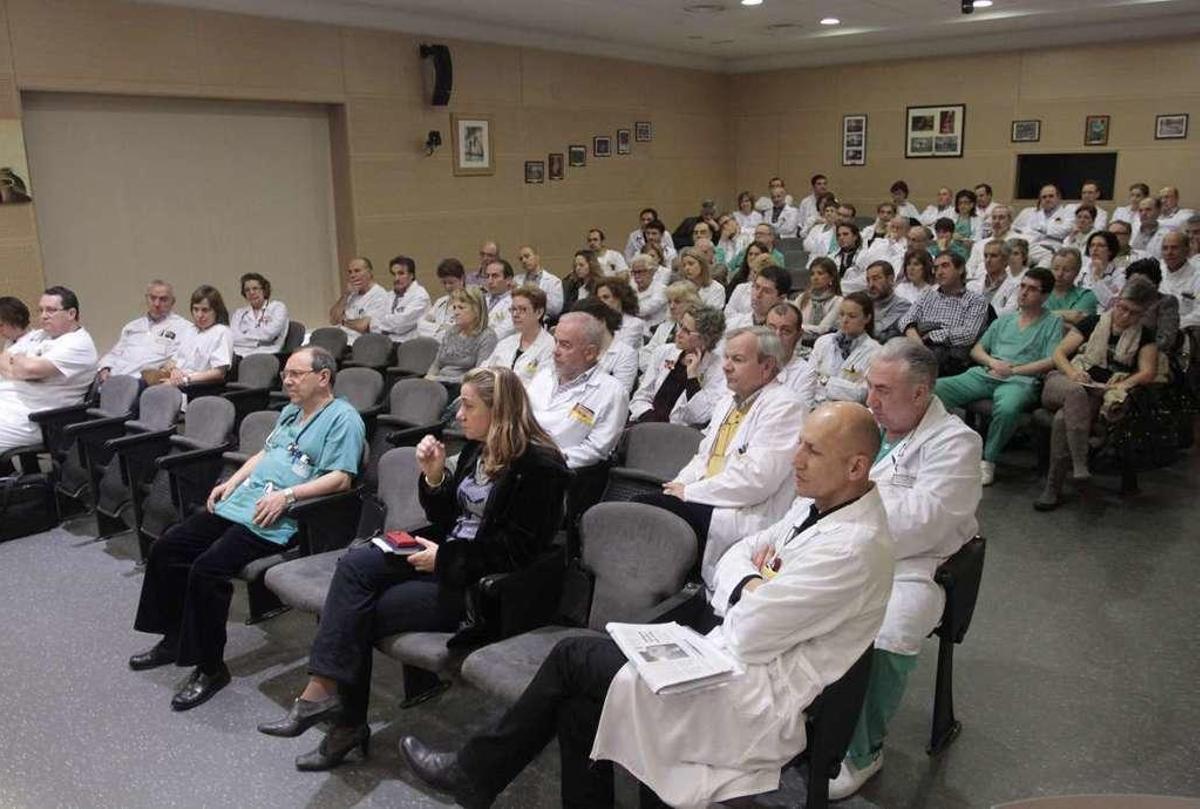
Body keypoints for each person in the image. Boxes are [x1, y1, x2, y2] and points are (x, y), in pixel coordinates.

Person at [400, 402, 894, 809]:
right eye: (799, 443)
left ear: (855, 467)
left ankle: (473, 774)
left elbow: (751, 631)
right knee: (579, 701)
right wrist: (752, 581)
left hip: (753, 694)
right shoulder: (815, 507)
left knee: (574, 658)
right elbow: (733, 557)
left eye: (812, 450)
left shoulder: (853, 547)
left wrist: (747, 585)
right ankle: (476, 777)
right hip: (726, 655)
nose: (795, 459)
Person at [259, 367, 568, 770]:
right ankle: (324, 693)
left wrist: (445, 559)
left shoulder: (541, 467)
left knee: (357, 610)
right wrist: (435, 477)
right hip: (446, 553)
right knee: (354, 565)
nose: (459, 415)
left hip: (478, 586)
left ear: (500, 411)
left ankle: (342, 721)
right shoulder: (478, 448)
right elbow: (448, 517)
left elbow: (520, 553)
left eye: (469, 406)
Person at [129, 346, 365, 710]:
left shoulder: (344, 419)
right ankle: (174, 638)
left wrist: (287, 496)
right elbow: (265, 454)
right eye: (285, 374)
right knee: (168, 548)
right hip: (245, 502)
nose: (287, 381)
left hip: (281, 516)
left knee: (208, 569)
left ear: (323, 377)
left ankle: (210, 669)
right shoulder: (291, 411)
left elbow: (341, 478)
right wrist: (232, 481)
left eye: (296, 374)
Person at [829, 338, 981, 800]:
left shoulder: (956, 443)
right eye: (869, 387)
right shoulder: (865, 425)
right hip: (840, 547)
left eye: (883, 390)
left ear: (920, 393)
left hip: (914, 565)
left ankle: (863, 750)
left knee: (892, 626)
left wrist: (848, 511)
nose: (870, 399)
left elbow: (927, 520)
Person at [635, 327, 807, 586]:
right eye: (726, 357)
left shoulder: (785, 406)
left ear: (767, 366)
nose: (726, 366)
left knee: (646, 512)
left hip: (739, 511)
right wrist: (678, 486)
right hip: (707, 498)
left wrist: (689, 492)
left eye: (737, 359)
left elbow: (756, 480)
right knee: (644, 508)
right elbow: (703, 456)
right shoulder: (729, 400)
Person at [1035, 278, 1161, 510]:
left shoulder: (1144, 336)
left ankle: (1052, 488)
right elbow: (1059, 354)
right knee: (1075, 393)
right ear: (1117, 301)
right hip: (1063, 382)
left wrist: (1121, 385)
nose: (1125, 316)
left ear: (1142, 314)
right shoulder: (1093, 322)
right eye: (1122, 308)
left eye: (1133, 313)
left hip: (1096, 393)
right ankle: (1080, 465)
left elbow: (1148, 372)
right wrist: (1074, 373)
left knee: (1063, 419)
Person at [936, 268, 1061, 485]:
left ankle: (988, 459)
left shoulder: (1052, 322)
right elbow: (977, 350)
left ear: (1045, 296)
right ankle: (943, 447)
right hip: (988, 372)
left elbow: (1051, 360)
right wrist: (993, 362)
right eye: (1022, 286)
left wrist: (1013, 370)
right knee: (936, 389)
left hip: (1021, 380)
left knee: (1007, 408)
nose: (1024, 292)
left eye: (1032, 289)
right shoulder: (1005, 320)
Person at [526, 311, 629, 470]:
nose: (555, 351)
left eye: (565, 345)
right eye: (556, 342)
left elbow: (596, 449)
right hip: (522, 459)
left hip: (565, 471)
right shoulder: (544, 375)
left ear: (590, 353)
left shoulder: (612, 392)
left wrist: (547, 460)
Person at [0, 287, 98, 451]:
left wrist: (20, 364)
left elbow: (29, 369)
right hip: (9, 406)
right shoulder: (40, 335)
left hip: (33, 420)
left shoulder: (78, 344)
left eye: (51, 310)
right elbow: (3, 358)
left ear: (71, 313)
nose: (43, 316)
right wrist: (19, 367)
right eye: (41, 310)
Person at [629, 304, 725, 426]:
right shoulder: (663, 352)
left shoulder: (718, 370)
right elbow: (641, 396)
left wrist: (692, 378)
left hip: (678, 433)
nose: (678, 333)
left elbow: (700, 416)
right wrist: (650, 420)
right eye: (680, 325)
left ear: (706, 339)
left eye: (687, 331)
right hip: (646, 421)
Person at [899, 251, 989, 376]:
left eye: (945, 266)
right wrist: (917, 341)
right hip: (919, 344)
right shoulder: (928, 295)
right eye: (936, 268)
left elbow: (969, 334)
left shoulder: (975, 300)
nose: (939, 272)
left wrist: (932, 335)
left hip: (950, 355)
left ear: (960, 269)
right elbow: (906, 319)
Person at [96, 280, 193, 383]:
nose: (157, 304)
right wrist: (105, 368)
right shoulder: (132, 326)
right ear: (146, 299)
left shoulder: (184, 328)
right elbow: (115, 353)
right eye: (153, 298)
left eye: (163, 299)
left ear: (172, 302)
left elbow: (181, 360)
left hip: (143, 383)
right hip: (114, 378)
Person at [148, 285, 233, 389]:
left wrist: (185, 379)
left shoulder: (222, 332)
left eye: (205, 310)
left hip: (195, 386)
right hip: (175, 380)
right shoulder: (190, 330)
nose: (199, 315)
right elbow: (172, 362)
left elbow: (219, 373)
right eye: (195, 309)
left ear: (216, 311)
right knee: (141, 384)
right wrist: (174, 370)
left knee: (153, 392)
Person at [808, 292, 881, 405]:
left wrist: (824, 380)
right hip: (815, 406)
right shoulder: (823, 342)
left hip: (849, 411)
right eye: (841, 314)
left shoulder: (876, 352)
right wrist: (845, 387)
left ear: (867, 318)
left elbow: (862, 393)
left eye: (852, 316)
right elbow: (808, 379)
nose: (844, 320)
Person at [426, 287, 498, 393]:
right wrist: (428, 378)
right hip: (437, 384)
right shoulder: (451, 331)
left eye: (461, 308)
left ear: (476, 310)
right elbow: (436, 364)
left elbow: (478, 375)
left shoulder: (487, 336)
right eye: (454, 307)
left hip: (461, 388)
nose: (456, 312)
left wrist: (440, 380)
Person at [483, 285, 555, 387]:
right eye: (513, 309)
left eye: (522, 309)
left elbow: (541, 387)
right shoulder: (506, 342)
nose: (515, 314)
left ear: (539, 312)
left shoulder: (550, 347)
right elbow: (484, 370)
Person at [570, 297, 638, 392]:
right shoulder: (576, 348)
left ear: (602, 321)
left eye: (584, 325)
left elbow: (620, 393)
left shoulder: (626, 353)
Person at [641, 281, 701, 373]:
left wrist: (662, 365)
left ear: (692, 304)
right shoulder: (664, 327)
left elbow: (688, 363)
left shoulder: (698, 330)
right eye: (669, 302)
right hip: (654, 376)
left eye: (677, 302)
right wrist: (660, 367)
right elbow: (644, 355)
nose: (672, 306)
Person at [329, 257, 390, 345]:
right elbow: (333, 319)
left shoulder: (379, 295)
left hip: (356, 343)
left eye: (357, 271)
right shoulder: (352, 294)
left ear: (369, 273)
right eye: (350, 272)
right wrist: (346, 294)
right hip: (338, 338)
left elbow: (363, 326)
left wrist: (342, 321)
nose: (352, 275)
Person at [766, 301, 817, 407]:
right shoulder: (749, 361)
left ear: (799, 335)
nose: (777, 336)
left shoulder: (805, 373)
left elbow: (798, 413)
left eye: (786, 331)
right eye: (771, 328)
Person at [371, 256, 431, 344]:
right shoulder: (389, 295)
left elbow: (400, 325)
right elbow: (373, 323)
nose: (396, 278)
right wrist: (389, 322)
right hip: (387, 344)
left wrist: (383, 323)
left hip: (409, 345)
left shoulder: (420, 295)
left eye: (401, 274)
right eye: (393, 274)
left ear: (411, 275)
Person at [1125, 257, 1179, 355]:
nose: (1136, 287)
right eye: (1132, 283)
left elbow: (1165, 340)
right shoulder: (1123, 301)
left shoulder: (1166, 302)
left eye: (1142, 284)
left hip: (1149, 354)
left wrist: (1135, 346)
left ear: (1155, 285)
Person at [231, 273, 290, 357]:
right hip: (239, 354)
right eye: (247, 290)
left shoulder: (277, 308)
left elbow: (269, 335)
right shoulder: (239, 313)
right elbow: (233, 337)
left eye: (255, 288)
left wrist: (244, 338)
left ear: (264, 290)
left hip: (267, 354)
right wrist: (257, 342)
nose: (251, 292)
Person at [726, 265, 790, 330]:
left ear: (781, 298)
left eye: (766, 291)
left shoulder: (785, 330)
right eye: (757, 287)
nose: (758, 295)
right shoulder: (733, 325)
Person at [1045, 247, 1098, 325]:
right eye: (1055, 269)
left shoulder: (1085, 295)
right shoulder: (1038, 291)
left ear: (1077, 272)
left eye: (1066, 270)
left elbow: (1078, 320)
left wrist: (1040, 316)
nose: (1059, 274)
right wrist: (1068, 315)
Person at [418, 258, 467, 341]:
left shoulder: (471, 303)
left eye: (451, 282)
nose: (447, 287)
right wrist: (440, 328)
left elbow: (457, 333)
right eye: (444, 283)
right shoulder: (440, 302)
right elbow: (420, 325)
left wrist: (433, 329)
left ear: (462, 279)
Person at [797, 257, 843, 342]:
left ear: (831, 277)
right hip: (799, 341)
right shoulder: (802, 297)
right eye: (812, 274)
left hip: (826, 343)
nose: (815, 277)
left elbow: (822, 329)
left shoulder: (838, 301)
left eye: (820, 273)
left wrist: (796, 327)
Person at [1078, 231, 1126, 312]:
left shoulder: (1119, 275)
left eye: (1100, 245)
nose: (1095, 249)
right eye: (1092, 245)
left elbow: (1111, 304)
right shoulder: (1082, 271)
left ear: (1110, 251)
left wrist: (1097, 278)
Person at [865, 260, 912, 343]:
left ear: (890, 280)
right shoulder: (864, 304)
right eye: (868, 280)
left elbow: (877, 332)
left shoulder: (902, 305)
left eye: (876, 279)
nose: (871, 285)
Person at [514, 245, 565, 319]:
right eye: (521, 259)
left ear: (537, 258)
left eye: (527, 256)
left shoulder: (553, 281)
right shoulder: (516, 280)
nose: (524, 261)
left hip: (541, 320)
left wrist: (536, 293)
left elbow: (556, 309)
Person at [594, 277, 645, 351]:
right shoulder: (596, 323)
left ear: (620, 298)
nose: (601, 302)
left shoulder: (634, 323)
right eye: (598, 299)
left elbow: (620, 350)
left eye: (606, 297)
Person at [966, 205, 1015, 280]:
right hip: (977, 282)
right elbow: (970, 268)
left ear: (1010, 221)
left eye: (1001, 218)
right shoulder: (979, 245)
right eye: (994, 218)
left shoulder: (1022, 241)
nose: (996, 221)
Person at [628, 254, 667, 333]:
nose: (636, 276)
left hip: (652, 331)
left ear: (651, 272)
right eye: (634, 272)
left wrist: (626, 308)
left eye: (640, 272)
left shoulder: (661, 289)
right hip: (631, 329)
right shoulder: (630, 287)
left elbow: (643, 310)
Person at [481, 258, 516, 341]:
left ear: (508, 280)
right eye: (487, 276)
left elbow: (505, 331)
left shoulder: (515, 303)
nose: (490, 281)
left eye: (495, 276)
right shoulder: (481, 300)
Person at [832, 221, 867, 292]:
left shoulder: (865, 255)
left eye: (845, 234)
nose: (841, 238)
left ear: (855, 237)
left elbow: (865, 280)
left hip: (858, 294)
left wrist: (841, 286)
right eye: (839, 235)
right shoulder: (832, 257)